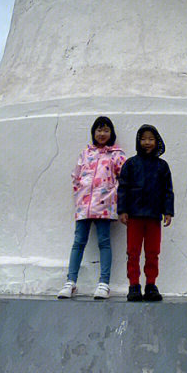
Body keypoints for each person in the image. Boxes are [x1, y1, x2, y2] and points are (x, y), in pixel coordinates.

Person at [58, 116, 126, 299]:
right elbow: (76, 175)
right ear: (93, 132)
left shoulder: (117, 154)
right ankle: (70, 282)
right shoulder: (85, 153)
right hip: (84, 206)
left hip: (104, 206)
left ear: (111, 133)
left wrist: (113, 195)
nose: (102, 134)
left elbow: (125, 178)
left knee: (104, 242)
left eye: (106, 130)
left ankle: (104, 284)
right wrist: (79, 193)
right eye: (98, 130)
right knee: (78, 242)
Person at [117, 123, 174, 301]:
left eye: (151, 139)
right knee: (132, 252)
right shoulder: (130, 164)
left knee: (153, 252)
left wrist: (168, 211)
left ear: (157, 141)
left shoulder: (162, 166)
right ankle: (134, 285)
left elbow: (168, 191)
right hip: (134, 216)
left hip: (154, 217)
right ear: (138, 141)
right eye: (143, 139)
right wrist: (122, 210)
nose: (147, 142)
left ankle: (151, 284)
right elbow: (123, 188)